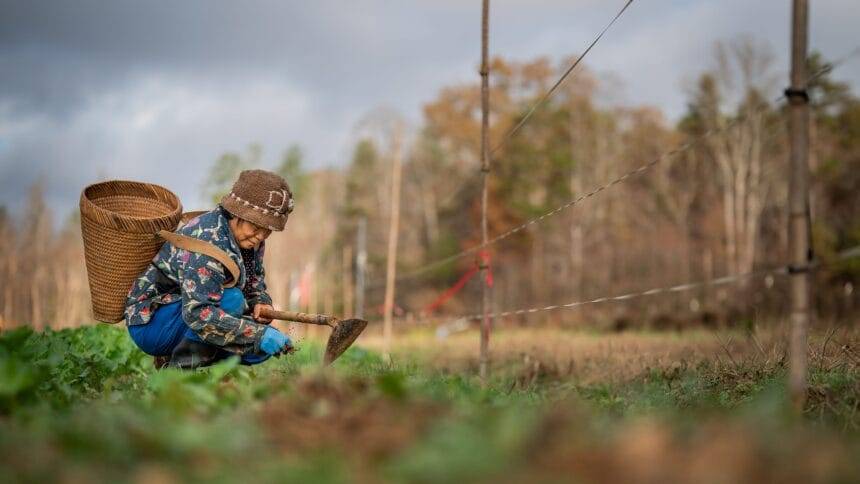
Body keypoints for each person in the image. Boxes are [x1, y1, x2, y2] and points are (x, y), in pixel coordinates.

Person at [124, 169, 294, 369]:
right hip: (151, 323)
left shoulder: (250, 242)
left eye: (268, 230)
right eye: (256, 227)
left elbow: (254, 281)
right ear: (237, 214)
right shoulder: (208, 242)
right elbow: (198, 313)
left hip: (183, 312)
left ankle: (175, 358)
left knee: (258, 352)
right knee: (233, 301)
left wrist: (261, 302)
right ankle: (177, 373)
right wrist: (258, 334)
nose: (261, 235)